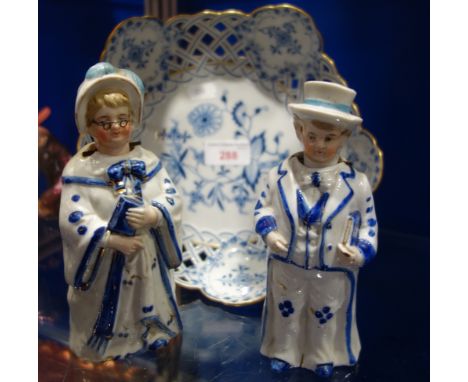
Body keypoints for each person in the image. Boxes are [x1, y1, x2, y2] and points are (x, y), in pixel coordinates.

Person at [59, 62, 183, 362]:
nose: (116, 127)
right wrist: (111, 240)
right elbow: (73, 219)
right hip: (105, 259)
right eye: (105, 122)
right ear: (89, 127)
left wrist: (154, 215)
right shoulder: (80, 170)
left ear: (134, 121)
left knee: (147, 294)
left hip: (146, 254)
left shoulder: (149, 161)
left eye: (122, 119)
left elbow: (172, 197)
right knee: (109, 302)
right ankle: (108, 341)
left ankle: (152, 331)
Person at [254, 81, 378, 378]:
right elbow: (262, 209)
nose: (319, 145)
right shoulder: (278, 176)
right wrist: (270, 233)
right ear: (299, 132)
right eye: (312, 136)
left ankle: (323, 357)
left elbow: (370, 226)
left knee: (326, 314)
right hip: (289, 264)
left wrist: (360, 253)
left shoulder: (357, 184)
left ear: (344, 137)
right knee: (287, 310)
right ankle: (284, 350)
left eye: (329, 138)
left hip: (331, 267)